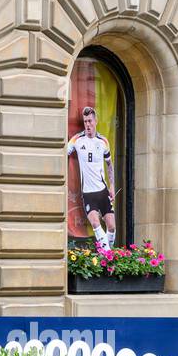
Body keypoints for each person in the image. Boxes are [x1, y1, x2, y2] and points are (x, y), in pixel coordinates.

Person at [68, 105, 116, 249]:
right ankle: (107, 258)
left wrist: (112, 186)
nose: (87, 124)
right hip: (88, 193)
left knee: (112, 226)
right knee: (95, 223)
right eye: (85, 121)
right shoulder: (77, 139)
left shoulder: (103, 141)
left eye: (90, 121)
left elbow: (109, 165)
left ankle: (107, 253)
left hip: (102, 191)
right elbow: (63, 153)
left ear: (95, 121)